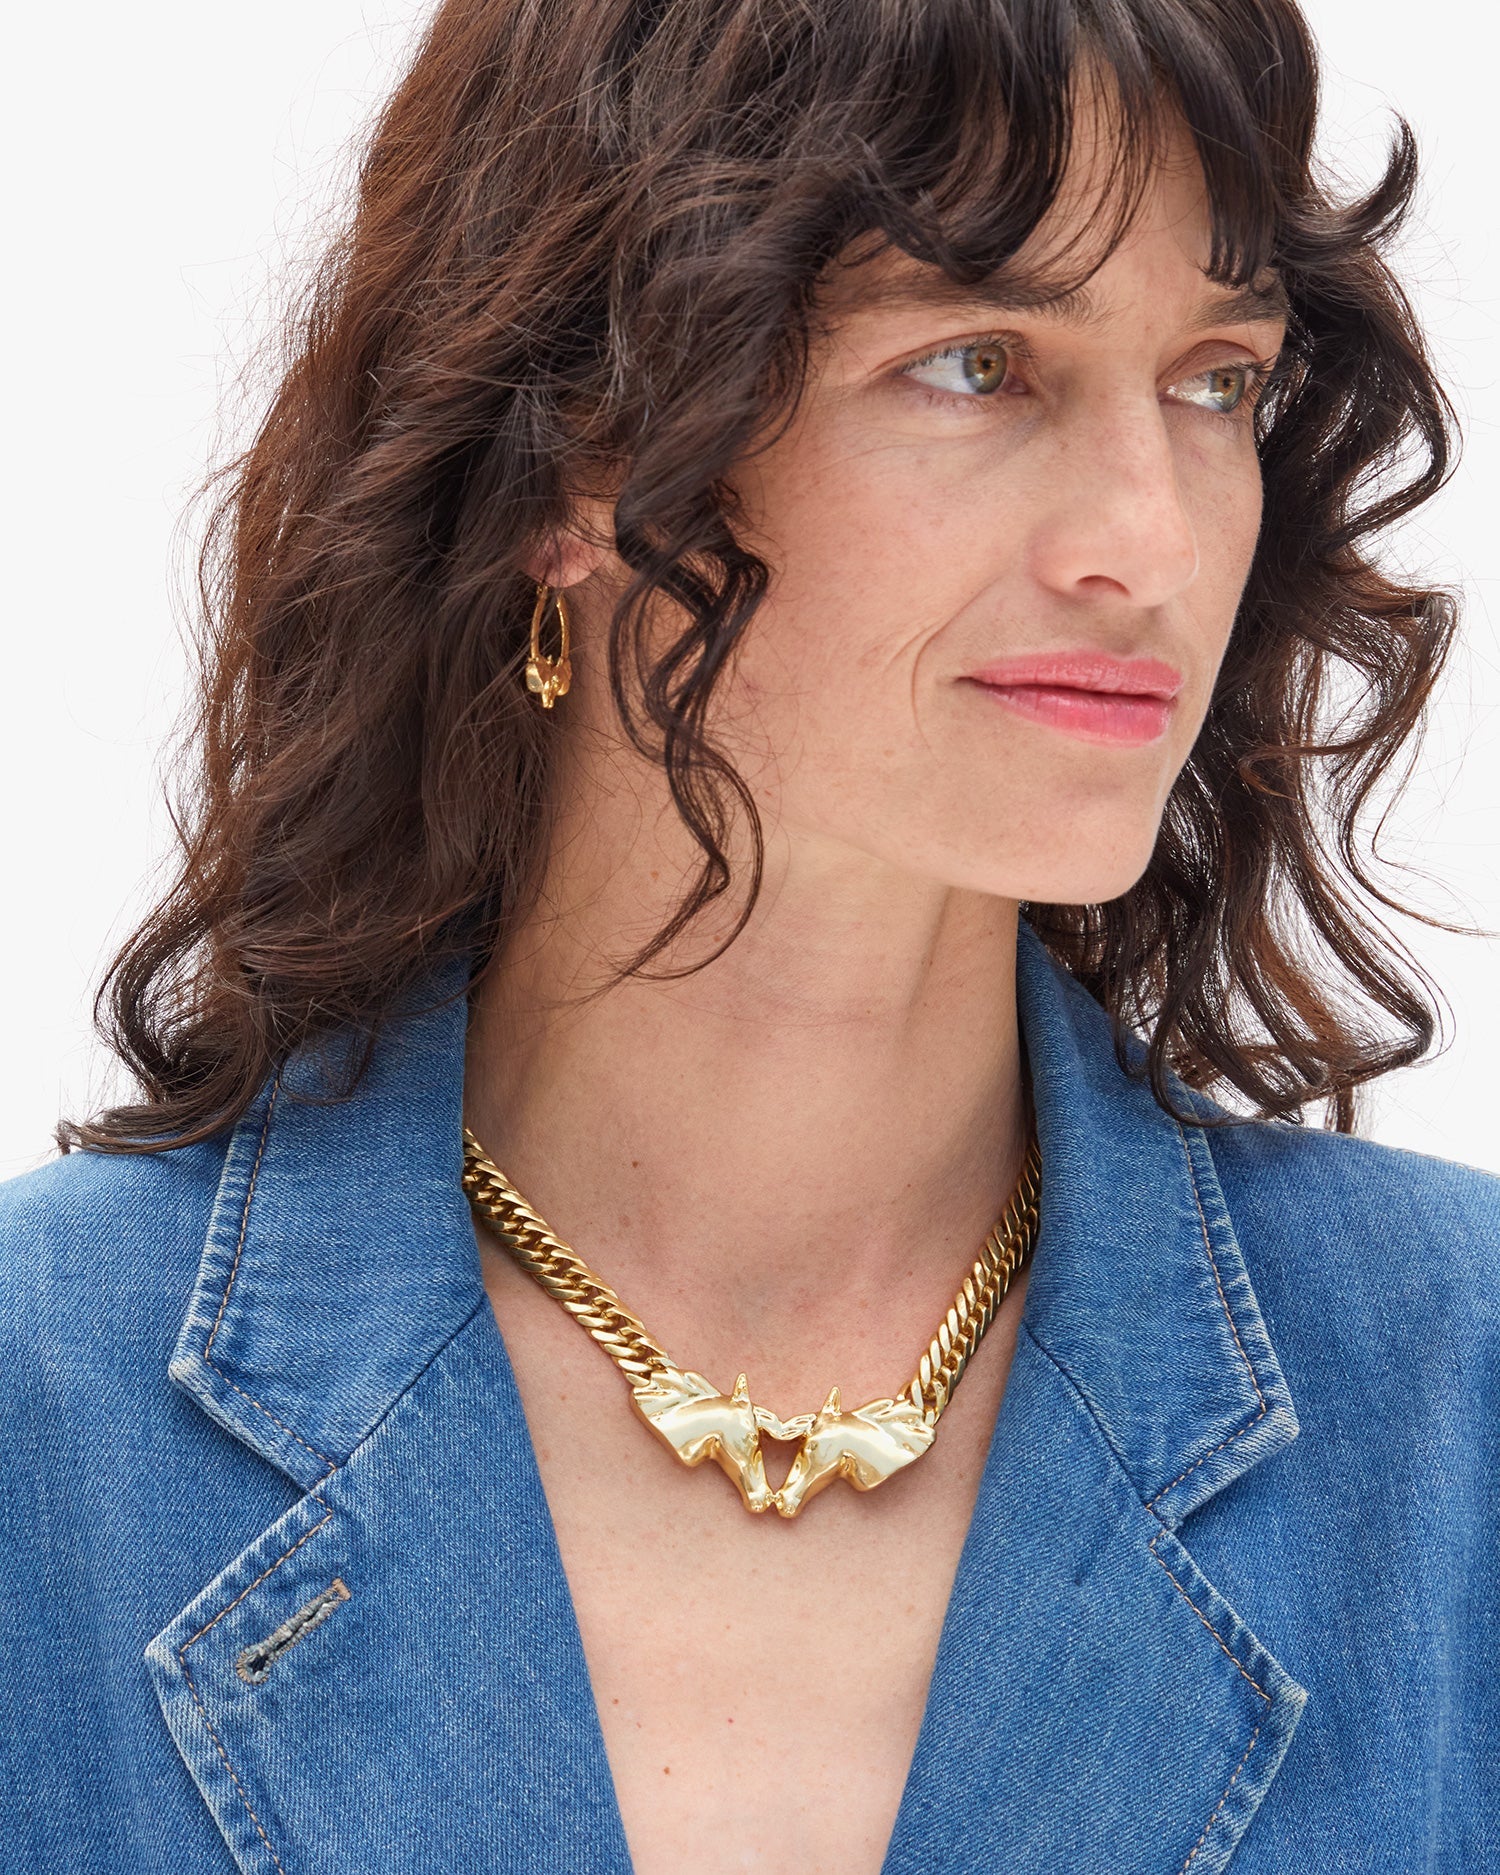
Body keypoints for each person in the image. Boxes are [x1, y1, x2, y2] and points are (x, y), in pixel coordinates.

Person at [3, 0, 1496, 1870]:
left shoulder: (1455, 1396)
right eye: (978, 365)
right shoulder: (45, 1410)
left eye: (1213, 380)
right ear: (571, 458)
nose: (1156, 542)